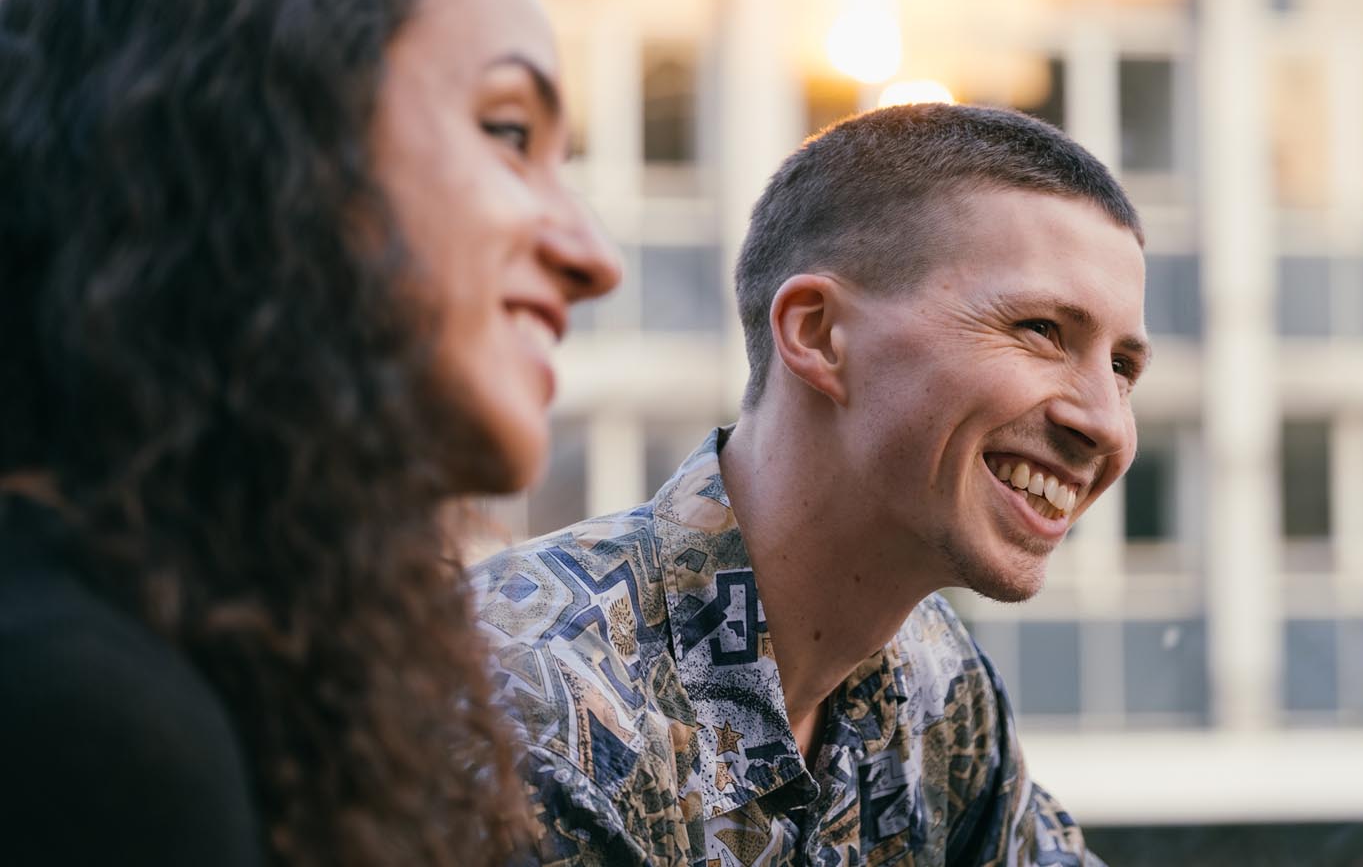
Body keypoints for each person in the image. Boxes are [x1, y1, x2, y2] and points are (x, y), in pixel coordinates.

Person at [0, 0, 619, 864]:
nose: (595, 256)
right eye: (509, 132)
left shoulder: (246, 652)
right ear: (248, 139)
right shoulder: (80, 723)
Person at [474, 102, 1148, 866]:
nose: (1108, 425)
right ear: (818, 333)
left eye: (1122, 367)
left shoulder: (936, 680)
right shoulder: (527, 708)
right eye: (1042, 331)